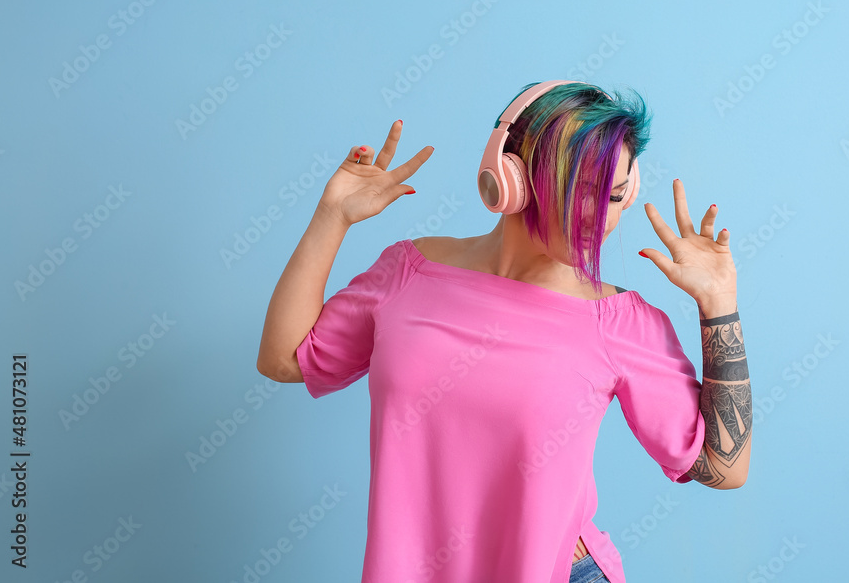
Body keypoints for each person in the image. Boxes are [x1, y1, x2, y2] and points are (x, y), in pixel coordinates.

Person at [256, 81, 752, 583]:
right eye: (582, 192)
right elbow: (285, 359)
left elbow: (723, 467)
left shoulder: (620, 321)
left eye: (617, 194)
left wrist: (719, 304)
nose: (605, 217)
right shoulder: (409, 272)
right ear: (510, 179)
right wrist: (332, 217)